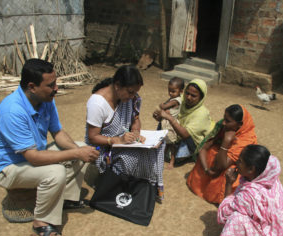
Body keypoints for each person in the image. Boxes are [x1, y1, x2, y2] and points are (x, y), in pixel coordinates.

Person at [0, 58, 99, 236]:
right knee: (56, 171)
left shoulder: (45, 99)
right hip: (8, 168)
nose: (56, 88)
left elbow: (58, 133)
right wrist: (76, 153)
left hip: (32, 157)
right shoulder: (12, 111)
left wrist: (79, 150)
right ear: (32, 87)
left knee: (79, 146)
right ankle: (41, 221)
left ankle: (68, 199)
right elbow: (32, 157)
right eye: (51, 85)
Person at [85, 65, 166, 202]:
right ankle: (117, 182)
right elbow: (93, 137)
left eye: (135, 92)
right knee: (132, 158)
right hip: (104, 148)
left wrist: (136, 132)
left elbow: (135, 119)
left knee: (158, 147)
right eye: (130, 92)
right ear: (117, 86)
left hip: (124, 141)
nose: (133, 96)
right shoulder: (97, 103)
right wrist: (116, 140)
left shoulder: (130, 99)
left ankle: (150, 185)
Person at [217, 145, 283, 236]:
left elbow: (224, 215)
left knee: (235, 219)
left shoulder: (249, 195)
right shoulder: (270, 179)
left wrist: (228, 183)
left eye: (240, 161)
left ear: (251, 169)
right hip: (282, 233)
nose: (236, 162)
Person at [187, 104, 257, 204]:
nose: (223, 123)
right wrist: (206, 169)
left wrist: (226, 141)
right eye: (224, 118)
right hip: (211, 169)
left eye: (228, 121)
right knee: (211, 152)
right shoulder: (222, 126)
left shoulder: (246, 139)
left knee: (230, 169)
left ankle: (218, 195)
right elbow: (203, 149)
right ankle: (201, 185)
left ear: (240, 125)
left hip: (226, 170)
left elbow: (221, 165)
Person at [153, 78, 213, 165]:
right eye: (187, 93)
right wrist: (158, 115)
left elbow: (186, 135)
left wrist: (170, 118)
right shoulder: (180, 100)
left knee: (174, 157)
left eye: (193, 95)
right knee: (164, 120)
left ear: (201, 97)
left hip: (190, 140)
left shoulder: (202, 113)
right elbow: (164, 110)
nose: (188, 97)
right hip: (176, 133)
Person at [156, 77, 184, 168]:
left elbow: (163, 106)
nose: (170, 93)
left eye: (173, 91)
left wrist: (161, 106)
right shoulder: (172, 98)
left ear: (181, 91)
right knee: (165, 143)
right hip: (166, 124)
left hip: (171, 125)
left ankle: (172, 161)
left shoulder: (176, 100)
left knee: (172, 144)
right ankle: (161, 158)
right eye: (169, 90)